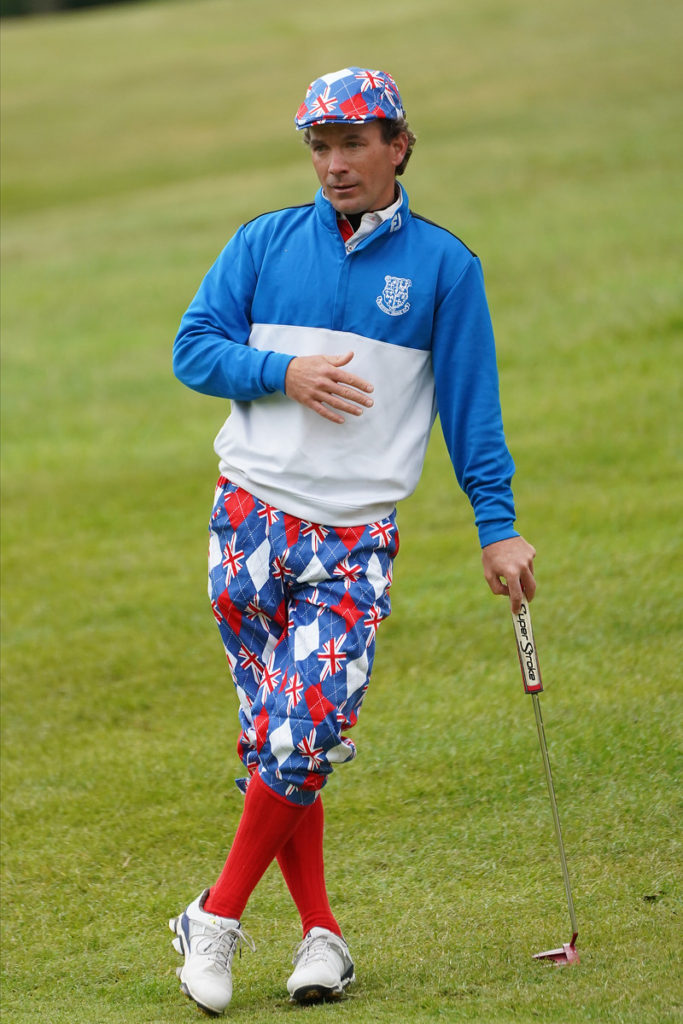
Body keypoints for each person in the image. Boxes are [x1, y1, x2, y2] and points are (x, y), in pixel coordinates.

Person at [168, 66, 536, 1016]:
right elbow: (194, 347)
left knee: (306, 729)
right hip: (245, 520)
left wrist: (496, 529)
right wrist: (282, 372)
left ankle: (213, 915)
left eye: (353, 144)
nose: (334, 163)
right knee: (276, 744)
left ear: (398, 144)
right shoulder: (262, 241)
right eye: (320, 147)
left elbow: (471, 410)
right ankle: (321, 936)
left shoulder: (444, 267)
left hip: (353, 539)